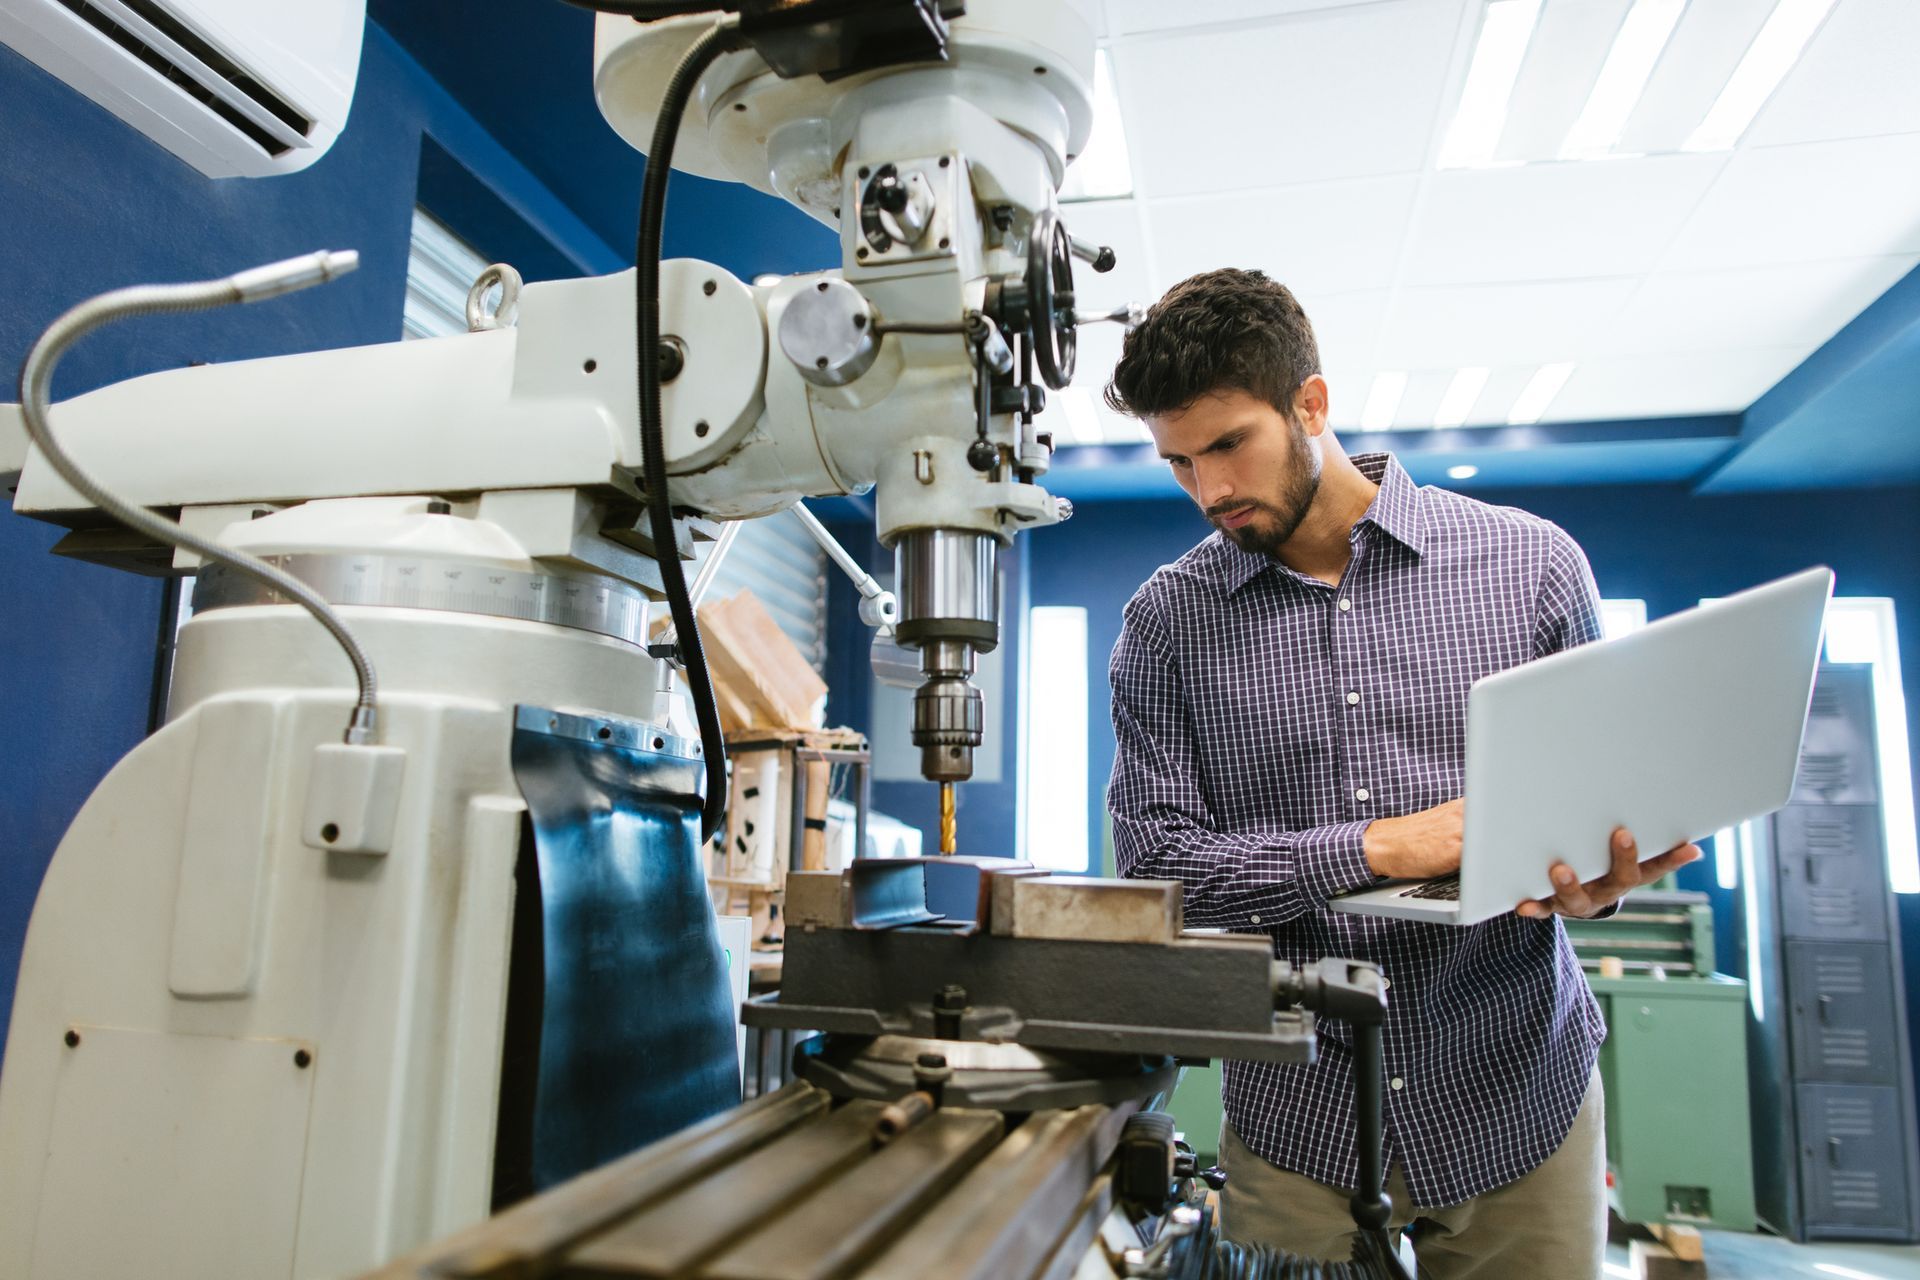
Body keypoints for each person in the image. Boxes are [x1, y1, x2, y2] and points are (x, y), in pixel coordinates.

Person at [1102, 268, 1700, 1278]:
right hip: (1300, 1119)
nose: (1208, 491)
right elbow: (1159, 869)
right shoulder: (1167, 624)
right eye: (1177, 463)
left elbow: (1600, 814)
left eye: (1226, 445)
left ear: (1312, 404)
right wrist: (1376, 848)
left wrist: (1598, 882)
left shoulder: (1534, 568)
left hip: (1518, 1093)